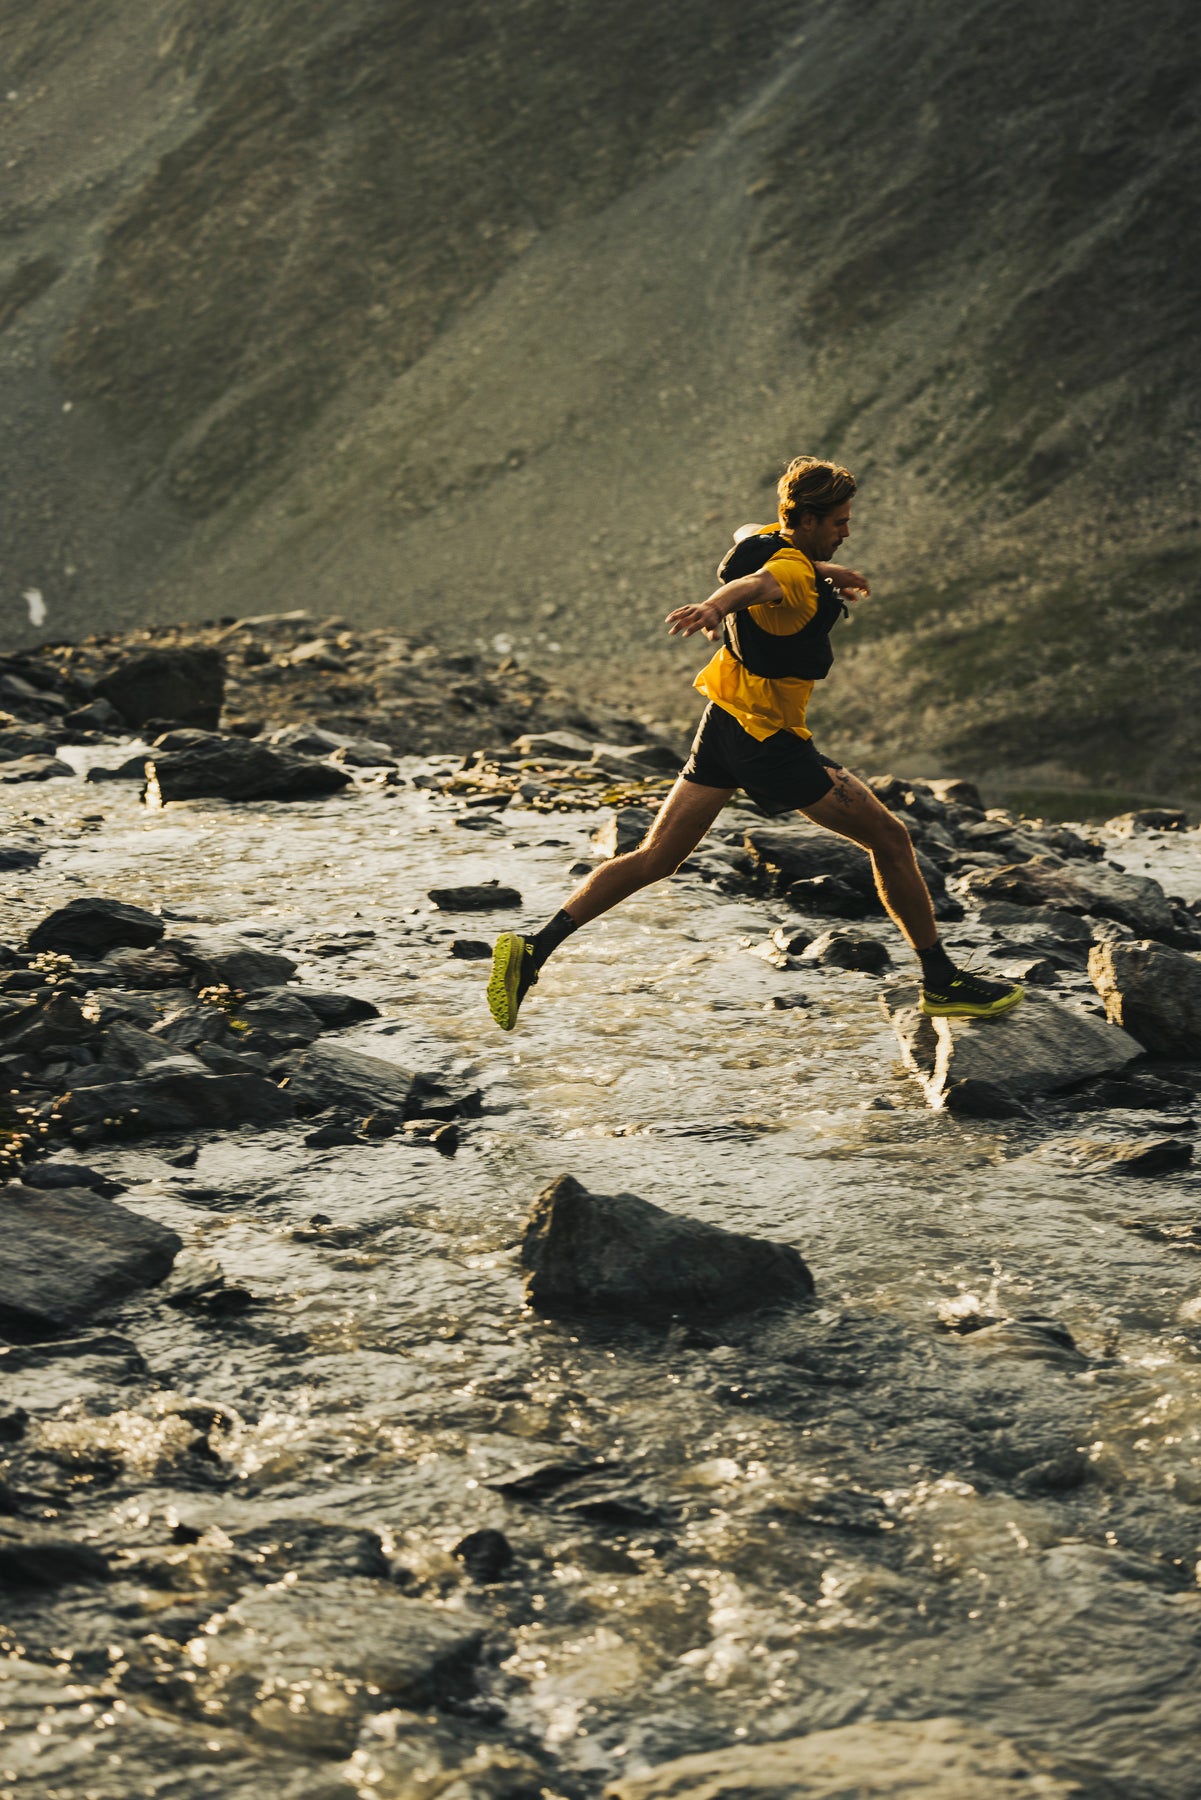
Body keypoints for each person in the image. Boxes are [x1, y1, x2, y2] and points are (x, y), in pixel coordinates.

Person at [487, 455, 1022, 1032]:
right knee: (891, 840)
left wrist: (827, 570)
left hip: (723, 722)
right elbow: (757, 585)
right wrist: (716, 608)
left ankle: (532, 952)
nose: (847, 530)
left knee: (656, 857)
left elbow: (746, 539)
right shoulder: (786, 575)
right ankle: (941, 982)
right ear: (811, 519)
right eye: (840, 521)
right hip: (770, 743)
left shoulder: (770, 538)